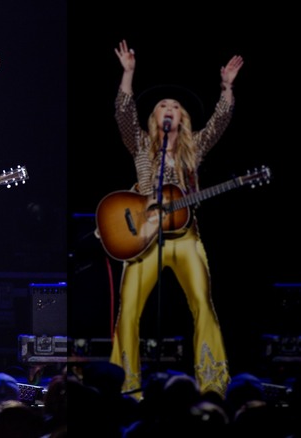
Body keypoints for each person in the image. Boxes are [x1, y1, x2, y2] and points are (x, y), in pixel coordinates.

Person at [107, 39, 243, 400]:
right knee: (129, 311)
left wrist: (226, 89)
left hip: (186, 236)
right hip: (142, 236)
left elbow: (219, 123)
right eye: (162, 106)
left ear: (182, 118)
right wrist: (128, 74)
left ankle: (213, 383)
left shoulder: (193, 147)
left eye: (175, 106)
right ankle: (128, 386)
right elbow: (123, 114)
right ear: (155, 117)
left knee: (203, 302)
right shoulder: (139, 144)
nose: (168, 108)